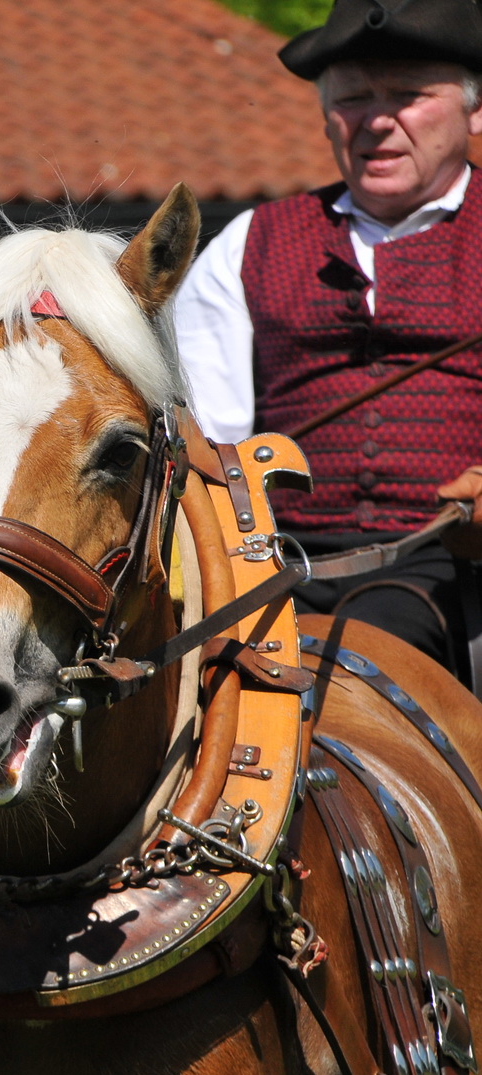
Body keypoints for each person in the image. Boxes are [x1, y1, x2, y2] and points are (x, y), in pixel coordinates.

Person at [174, 0, 482, 675]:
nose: (375, 121)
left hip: (456, 567)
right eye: (352, 99)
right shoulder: (248, 245)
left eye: (406, 96)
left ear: (473, 111)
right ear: (324, 117)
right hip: (275, 561)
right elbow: (206, 442)